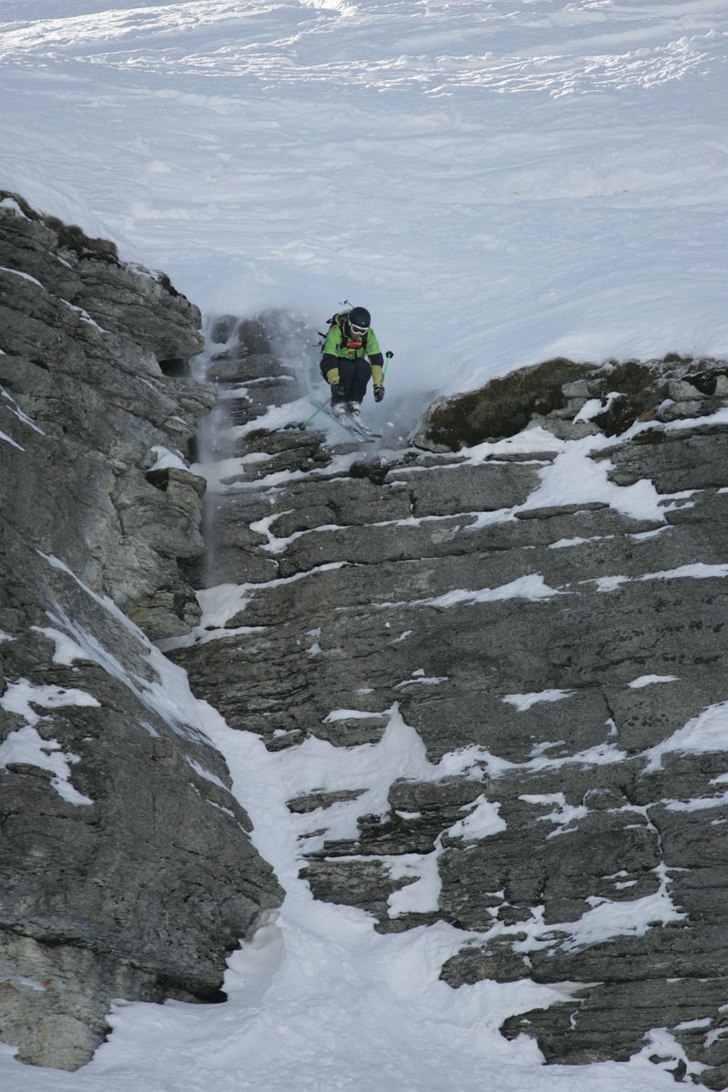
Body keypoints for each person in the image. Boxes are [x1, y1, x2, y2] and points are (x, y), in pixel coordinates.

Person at [320, 306, 385, 419]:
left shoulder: (369, 335)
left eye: (363, 331)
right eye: (355, 329)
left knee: (364, 367)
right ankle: (338, 402)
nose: (358, 334)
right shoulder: (337, 330)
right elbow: (330, 359)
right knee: (347, 367)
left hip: (355, 363)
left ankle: (354, 401)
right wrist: (334, 382)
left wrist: (378, 386)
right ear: (349, 324)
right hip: (333, 367)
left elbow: (376, 360)